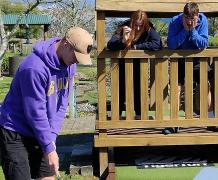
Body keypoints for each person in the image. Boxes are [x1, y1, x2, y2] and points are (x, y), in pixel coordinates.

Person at [0, 27, 93, 180]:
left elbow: (62, 104)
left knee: (47, 177)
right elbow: (35, 113)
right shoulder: (34, 68)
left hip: (40, 131)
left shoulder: (70, 65)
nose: (76, 61)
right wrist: (48, 148)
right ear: (65, 45)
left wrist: (52, 138)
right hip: (15, 131)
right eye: (76, 56)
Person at [164, 2, 211, 134]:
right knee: (176, 88)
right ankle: (174, 123)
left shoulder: (203, 20)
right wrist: (185, 30)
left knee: (206, 85)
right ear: (183, 15)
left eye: (193, 19)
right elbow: (172, 45)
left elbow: (204, 43)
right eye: (187, 18)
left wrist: (193, 31)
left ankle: (211, 120)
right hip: (179, 60)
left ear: (197, 15)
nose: (190, 21)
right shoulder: (175, 21)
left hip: (198, 61)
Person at [107, 10, 162, 119]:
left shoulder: (149, 29)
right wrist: (123, 40)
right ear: (132, 22)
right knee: (120, 91)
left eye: (140, 26)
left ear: (144, 24)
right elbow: (110, 45)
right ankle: (116, 118)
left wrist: (137, 47)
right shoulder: (123, 28)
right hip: (121, 66)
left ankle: (139, 116)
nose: (137, 28)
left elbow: (157, 44)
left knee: (139, 90)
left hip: (139, 67)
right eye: (135, 25)